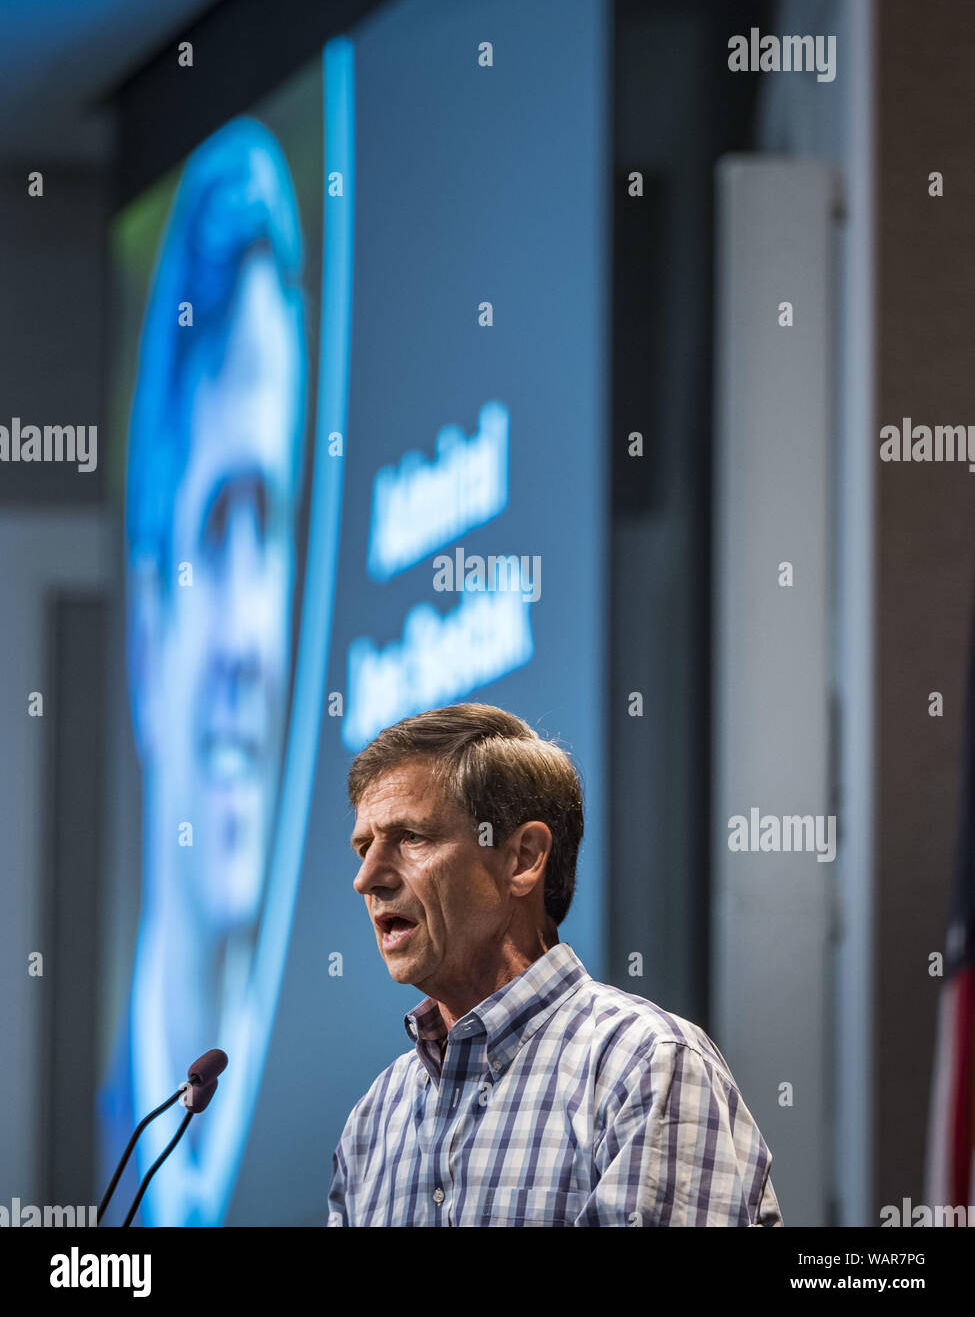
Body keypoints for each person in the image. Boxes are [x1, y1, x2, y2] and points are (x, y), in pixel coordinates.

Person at [328, 702, 783, 1227]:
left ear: (523, 858)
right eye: (364, 846)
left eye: (412, 838)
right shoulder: (372, 1122)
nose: (368, 878)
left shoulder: (641, 1065)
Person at [98, 116, 308, 1226]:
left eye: (270, 531)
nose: (250, 643)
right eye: (217, 528)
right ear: (145, 635)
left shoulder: (356, 1134)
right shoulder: (109, 1144)